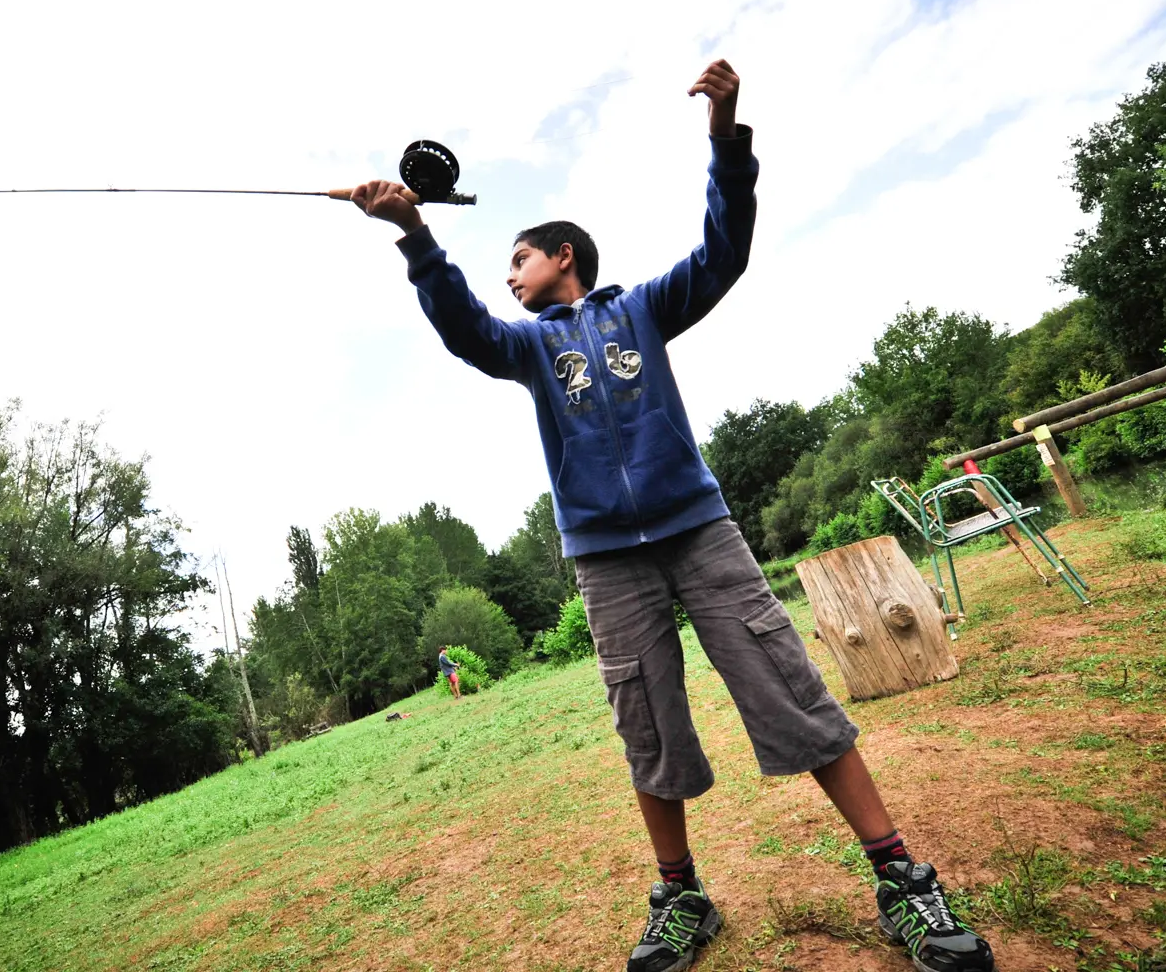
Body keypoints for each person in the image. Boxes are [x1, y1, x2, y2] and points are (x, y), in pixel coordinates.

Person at [349, 60, 994, 972]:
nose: (509, 280)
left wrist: (726, 134)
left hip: (700, 533)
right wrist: (414, 232)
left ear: (563, 255)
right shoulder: (526, 349)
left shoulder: (644, 310)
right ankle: (681, 896)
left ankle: (901, 880)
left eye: (519, 261)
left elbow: (723, 250)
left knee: (790, 692)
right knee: (644, 723)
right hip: (607, 563)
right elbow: (463, 328)